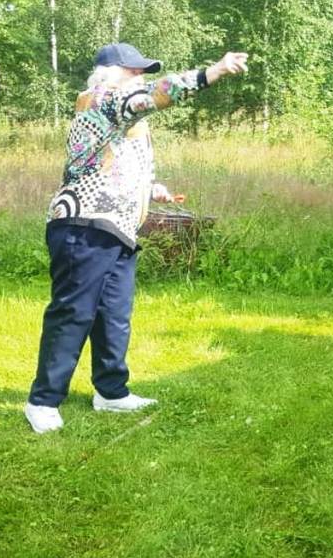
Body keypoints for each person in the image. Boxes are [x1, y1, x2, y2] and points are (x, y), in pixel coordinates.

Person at [23, 43, 249, 433]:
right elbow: (155, 94)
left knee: (114, 315)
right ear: (109, 72)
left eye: (142, 71)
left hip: (116, 228)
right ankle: (42, 401)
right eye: (133, 70)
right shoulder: (103, 96)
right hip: (84, 224)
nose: (139, 76)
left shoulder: (115, 110)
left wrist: (149, 189)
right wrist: (211, 73)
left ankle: (111, 392)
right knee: (73, 313)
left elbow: (109, 160)